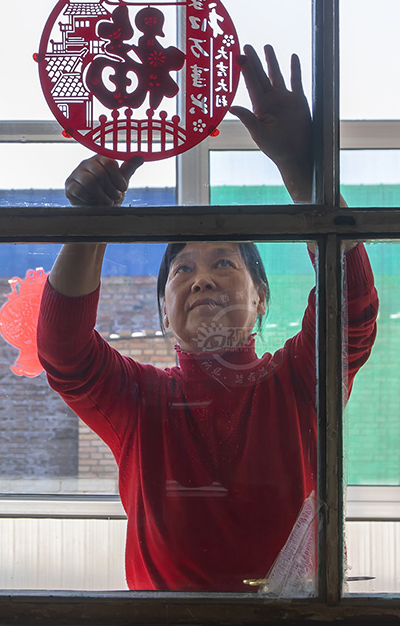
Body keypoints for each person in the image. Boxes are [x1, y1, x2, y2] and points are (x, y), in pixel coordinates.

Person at [36, 45, 379, 592]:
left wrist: (302, 172)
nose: (202, 279)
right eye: (182, 271)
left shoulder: (295, 383)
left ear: (261, 297)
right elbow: (64, 353)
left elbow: (353, 309)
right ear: (164, 313)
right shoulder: (140, 402)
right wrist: (91, 225)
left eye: (224, 262)